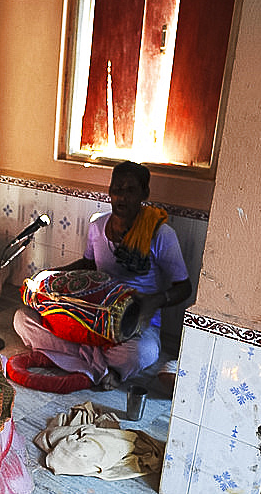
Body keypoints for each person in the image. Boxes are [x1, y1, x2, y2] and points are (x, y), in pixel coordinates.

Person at [13, 161, 192, 388]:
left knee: (142, 353)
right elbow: (88, 264)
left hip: (135, 325)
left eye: (130, 191)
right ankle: (101, 366)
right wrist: (50, 276)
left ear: (144, 193)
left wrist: (155, 300)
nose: (121, 198)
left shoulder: (161, 234)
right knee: (22, 318)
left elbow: (184, 287)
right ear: (109, 190)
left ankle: (75, 358)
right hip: (90, 316)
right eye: (117, 190)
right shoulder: (98, 226)